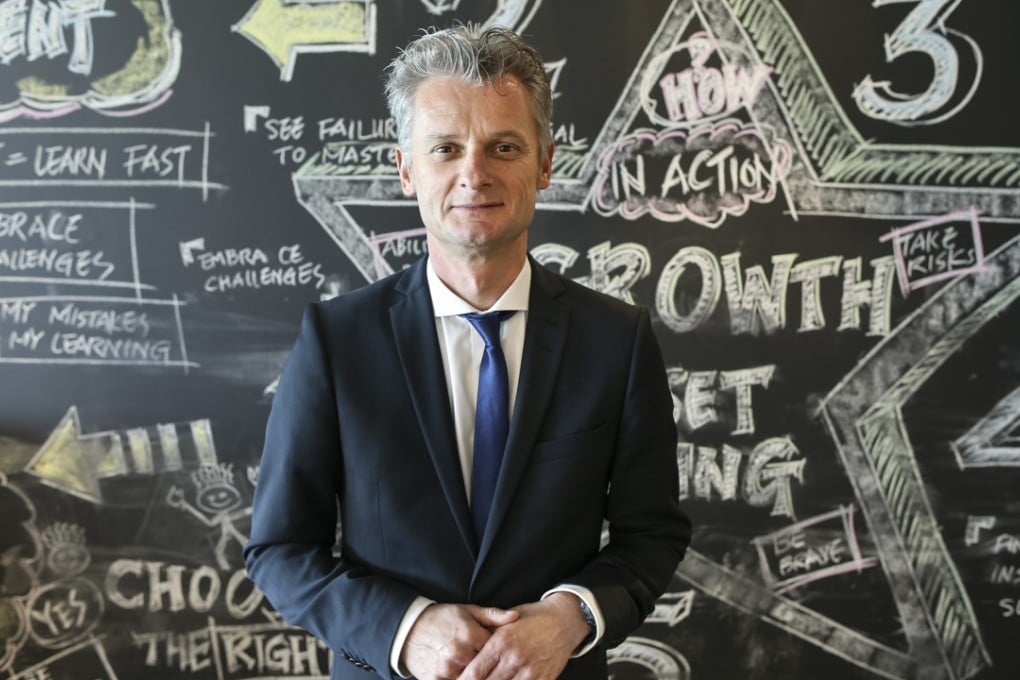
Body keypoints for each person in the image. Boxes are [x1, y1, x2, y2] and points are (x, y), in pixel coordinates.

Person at [244, 25, 691, 680]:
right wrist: (404, 630)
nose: (474, 174)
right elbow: (280, 550)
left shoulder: (616, 340)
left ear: (544, 163)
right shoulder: (337, 342)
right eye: (446, 149)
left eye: (503, 147)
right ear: (407, 169)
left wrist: (571, 617)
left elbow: (652, 535)